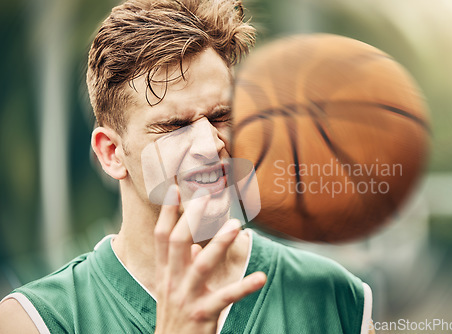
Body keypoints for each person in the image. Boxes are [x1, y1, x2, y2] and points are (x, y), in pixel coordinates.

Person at [0, 0, 374, 333]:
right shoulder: (37, 320)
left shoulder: (336, 299)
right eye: (175, 126)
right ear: (111, 152)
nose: (210, 145)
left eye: (221, 116)